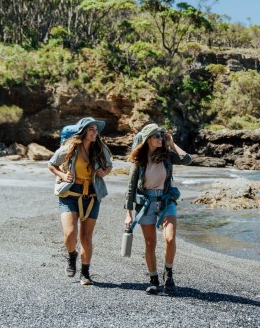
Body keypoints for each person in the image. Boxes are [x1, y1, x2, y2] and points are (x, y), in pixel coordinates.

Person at [124, 123, 192, 294]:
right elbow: (131, 188)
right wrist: (128, 214)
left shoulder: (167, 156)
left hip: (166, 202)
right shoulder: (139, 161)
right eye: (157, 136)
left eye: (161, 135)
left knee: (169, 239)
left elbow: (187, 159)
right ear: (147, 139)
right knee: (150, 243)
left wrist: (171, 143)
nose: (160, 138)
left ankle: (168, 274)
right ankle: (153, 279)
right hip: (145, 205)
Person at [48, 117, 112, 285]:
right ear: (83, 131)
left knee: (86, 237)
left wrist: (104, 173)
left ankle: (85, 273)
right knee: (70, 234)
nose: (95, 132)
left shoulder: (100, 149)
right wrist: (63, 175)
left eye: (96, 130)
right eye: (91, 129)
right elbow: (51, 164)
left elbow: (109, 165)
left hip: (92, 195)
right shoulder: (70, 148)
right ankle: (71, 256)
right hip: (70, 193)